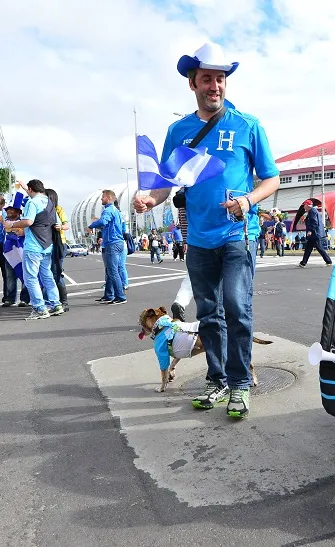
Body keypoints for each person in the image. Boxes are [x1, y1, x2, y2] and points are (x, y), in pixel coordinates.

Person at [133, 41, 280, 418]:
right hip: (198, 240)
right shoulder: (178, 130)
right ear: (193, 84)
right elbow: (167, 182)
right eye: (206, 79)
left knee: (236, 305)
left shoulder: (248, 125)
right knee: (209, 312)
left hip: (237, 234)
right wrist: (151, 199)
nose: (214, 86)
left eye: (220, 79)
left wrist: (248, 201)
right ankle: (216, 380)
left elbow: (271, 179)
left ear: (226, 84)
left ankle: (240, 384)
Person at [3, 179, 63, 320]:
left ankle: (40, 308)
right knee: (47, 276)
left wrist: (11, 224)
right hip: (47, 246)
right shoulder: (50, 203)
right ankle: (56, 304)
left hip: (33, 246)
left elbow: (29, 221)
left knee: (30, 278)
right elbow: (57, 224)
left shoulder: (32, 203)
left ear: (30, 189)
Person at [87, 190, 126, 304]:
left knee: (113, 271)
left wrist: (91, 226)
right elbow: (110, 226)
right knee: (111, 270)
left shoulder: (108, 210)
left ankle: (120, 296)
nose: (101, 199)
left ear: (109, 198)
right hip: (117, 242)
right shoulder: (116, 211)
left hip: (112, 243)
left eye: (103, 197)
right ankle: (109, 295)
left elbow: (103, 221)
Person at [2, 192, 30, 306]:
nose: (8, 211)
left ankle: (25, 298)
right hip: (8, 252)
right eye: (7, 209)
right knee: (10, 276)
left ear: (18, 211)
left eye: (11, 209)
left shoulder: (23, 221)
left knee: (24, 274)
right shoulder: (3, 222)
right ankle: (10, 298)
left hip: (21, 251)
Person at [45, 188, 70, 311]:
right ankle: (50, 301)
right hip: (46, 244)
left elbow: (66, 225)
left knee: (56, 273)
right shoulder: (43, 210)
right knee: (47, 274)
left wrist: (60, 227)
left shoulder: (58, 209)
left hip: (59, 244)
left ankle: (63, 302)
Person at [298, 200, 332, 267]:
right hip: (315, 234)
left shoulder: (312, 211)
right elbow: (313, 221)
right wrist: (305, 220)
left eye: (304, 205)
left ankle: (328, 261)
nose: (304, 207)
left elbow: (314, 222)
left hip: (315, 234)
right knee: (308, 248)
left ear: (307, 205)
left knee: (319, 248)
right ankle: (303, 263)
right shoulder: (313, 211)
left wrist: (310, 230)